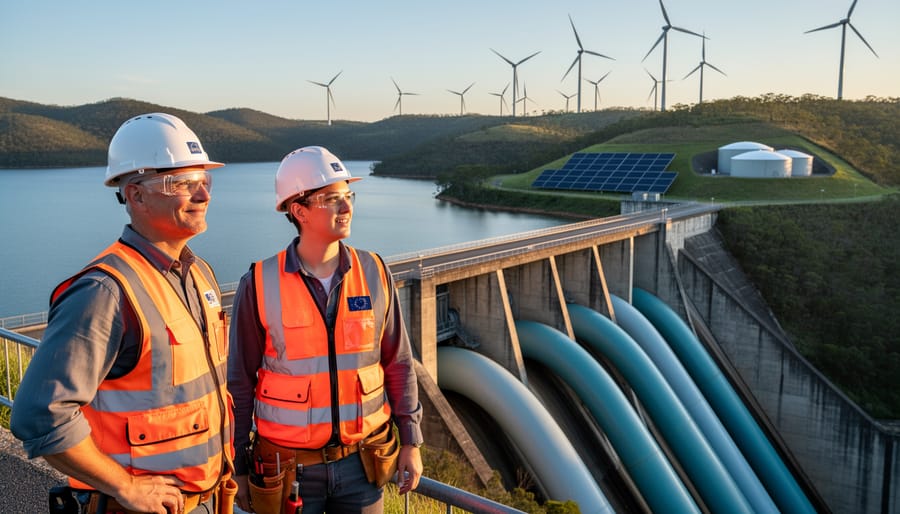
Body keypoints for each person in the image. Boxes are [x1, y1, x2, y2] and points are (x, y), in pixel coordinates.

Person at [10, 113, 235, 514]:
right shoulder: (105, 292)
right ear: (135, 195)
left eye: (205, 181)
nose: (203, 196)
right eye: (183, 184)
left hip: (208, 500)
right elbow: (39, 415)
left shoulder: (199, 273)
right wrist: (124, 486)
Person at [228, 146, 423, 514]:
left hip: (363, 465)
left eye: (348, 196)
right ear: (298, 210)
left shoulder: (375, 272)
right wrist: (237, 465)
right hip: (287, 470)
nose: (346, 207)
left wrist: (411, 441)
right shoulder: (259, 283)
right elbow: (239, 382)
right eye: (332, 199)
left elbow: (398, 363)